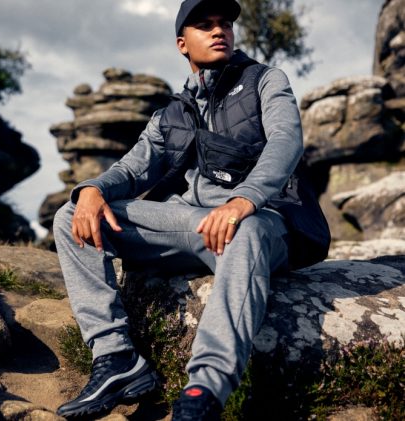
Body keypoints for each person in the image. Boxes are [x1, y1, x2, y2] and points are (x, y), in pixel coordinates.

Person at [54, 0, 330, 419]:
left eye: (225, 24)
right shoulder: (171, 114)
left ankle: (203, 391)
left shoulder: (264, 80)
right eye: (205, 25)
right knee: (71, 214)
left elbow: (285, 141)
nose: (219, 31)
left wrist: (244, 200)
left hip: (263, 220)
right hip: (194, 224)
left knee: (246, 230)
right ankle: (116, 359)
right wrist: (93, 189)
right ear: (182, 44)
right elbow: (132, 169)